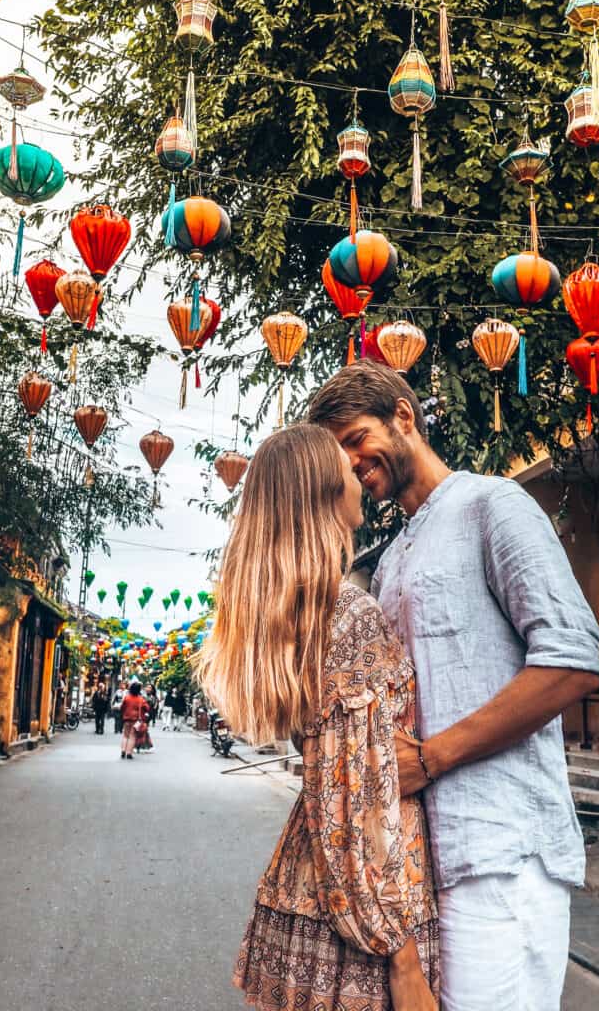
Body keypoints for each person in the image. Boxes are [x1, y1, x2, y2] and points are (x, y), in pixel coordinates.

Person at [309, 360, 599, 1011]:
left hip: (502, 850)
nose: (352, 462)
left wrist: (433, 757)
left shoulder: (491, 504)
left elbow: (574, 657)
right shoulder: (388, 563)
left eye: (357, 438)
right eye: (338, 455)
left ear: (404, 417)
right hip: (425, 862)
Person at [199, 423, 439, 1011]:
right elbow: (357, 797)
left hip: (317, 883)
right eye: (344, 466)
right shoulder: (348, 614)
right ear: (322, 492)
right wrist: (400, 955)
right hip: (363, 908)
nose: (359, 473)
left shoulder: (306, 617)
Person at [120, 681, 149, 760]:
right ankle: (129, 753)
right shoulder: (140, 699)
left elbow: (122, 707)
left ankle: (123, 751)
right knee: (132, 736)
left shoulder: (127, 697)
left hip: (126, 718)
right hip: (136, 719)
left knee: (125, 735)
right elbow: (147, 708)